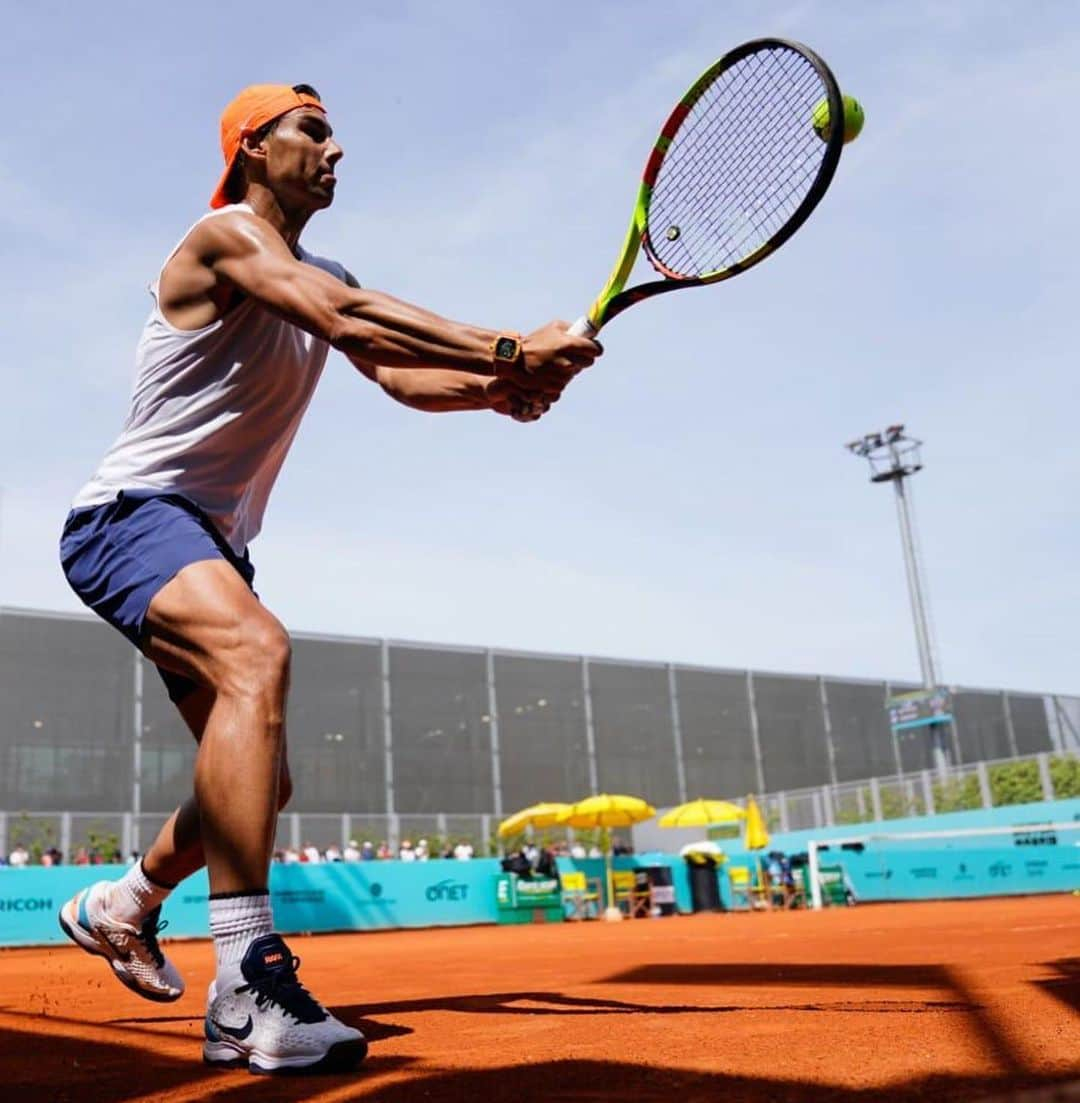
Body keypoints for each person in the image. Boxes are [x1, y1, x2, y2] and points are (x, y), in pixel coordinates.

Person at [56, 82, 601, 1078]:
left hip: (211, 538)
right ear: (256, 147)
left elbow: (393, 370)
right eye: (314, 130)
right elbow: (345, 311)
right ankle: (247, 984)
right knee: (259, 650)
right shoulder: (222, 237)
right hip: (130, 517)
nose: (337, 147)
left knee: (264, 777)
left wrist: (497, 389)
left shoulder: (323, 270)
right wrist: (511, 344)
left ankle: (123, 900)